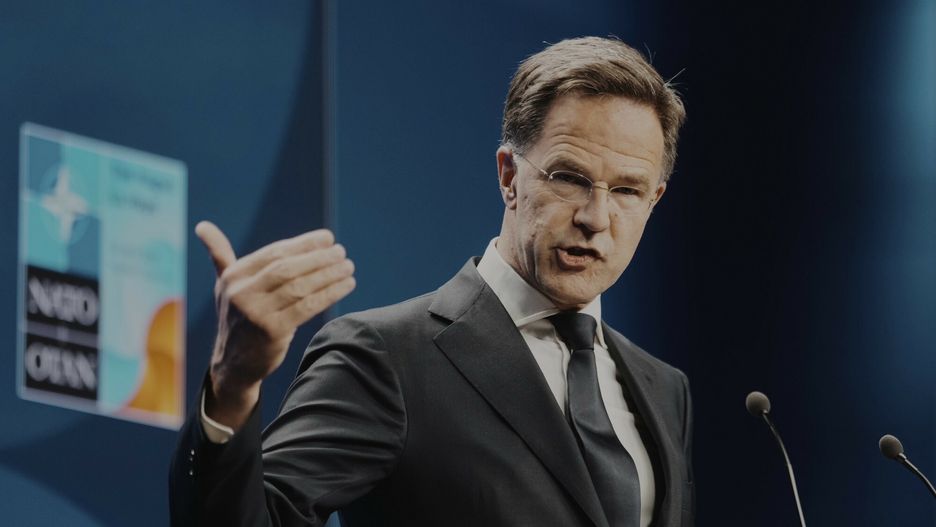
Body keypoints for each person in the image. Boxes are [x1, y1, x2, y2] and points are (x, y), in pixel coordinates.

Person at [170, 36, 692, 527]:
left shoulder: (663, 390)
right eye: (570, 178)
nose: (596, 217)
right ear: (510, 176)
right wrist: (233, 385)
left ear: (655, 200)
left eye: (626, 190)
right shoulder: (387, 358)